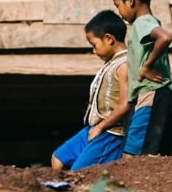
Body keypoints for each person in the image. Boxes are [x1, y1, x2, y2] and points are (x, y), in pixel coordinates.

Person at [51, 10, 131, 170]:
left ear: (109, 39)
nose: (93, 51)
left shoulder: (124, 65)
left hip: (110, 133)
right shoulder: (110, 63)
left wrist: (101, 127)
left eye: (94, 45)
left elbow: (125, 105)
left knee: (79, 172)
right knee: (58, 158)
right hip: (93, 128)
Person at [112, 0, 172, 156]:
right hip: (160, 94)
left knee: (132, 155)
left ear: (130, 0)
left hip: (150, 94)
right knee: (156, 154)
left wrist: (146, 66)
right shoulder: (149, 22)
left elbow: (165, 37)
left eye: (118, 5)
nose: (119, 12)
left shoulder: (142, 23)